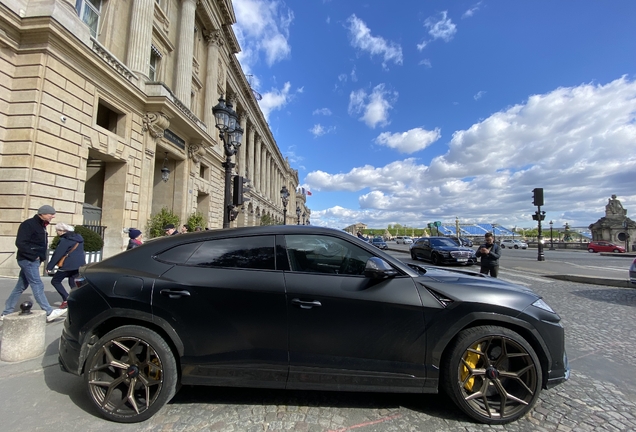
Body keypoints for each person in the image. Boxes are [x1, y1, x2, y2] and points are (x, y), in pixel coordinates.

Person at [1, 205, 67, 322]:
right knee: (37, 284)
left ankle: (6, 313)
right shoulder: (28, 224)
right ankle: (48, 312)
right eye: (50, 214)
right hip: (28, 260)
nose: (53, 216)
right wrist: (33, 256)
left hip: (32, 260)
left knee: (20, 287)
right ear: (42, 213)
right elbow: (21, 243)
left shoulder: (41, 225)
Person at [46, 223, 85, 309]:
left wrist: (49, 266)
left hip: (67, 265)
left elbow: (58, 254)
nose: (57, 232)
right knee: (73, 282)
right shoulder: (79, 238)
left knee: (55, 281)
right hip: (78, 264)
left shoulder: (65, 240)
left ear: (62, 231)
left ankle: (66, 299)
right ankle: (77, 300)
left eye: (57, 231)